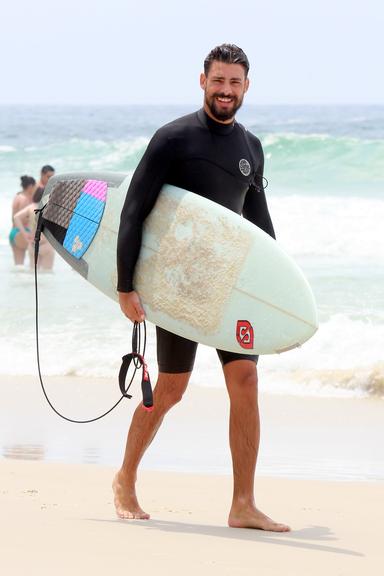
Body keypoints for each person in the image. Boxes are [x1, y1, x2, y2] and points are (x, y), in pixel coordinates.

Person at [115, 44, 290, 532]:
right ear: (203, 81)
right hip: (179, 285)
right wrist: (126, 285)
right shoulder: (172, 139)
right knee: (171, 388)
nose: (226, 91)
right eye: (219, 81)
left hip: (229, 285)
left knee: (247, 383)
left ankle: (243, 503)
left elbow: (257, 220)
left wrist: (276, 283)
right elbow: (134, 211)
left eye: (235, 83)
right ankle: (125, 478)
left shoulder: (251, 148)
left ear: (246, 87)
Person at [9, 175, 36, 265]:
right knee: (34, 262)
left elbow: (13, 218)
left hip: (13, 232)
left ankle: (18, 279)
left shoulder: (17, 196)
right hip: (23, 231)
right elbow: (23, 219)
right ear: (30, 186)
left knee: (18, 265)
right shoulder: (25, 199)